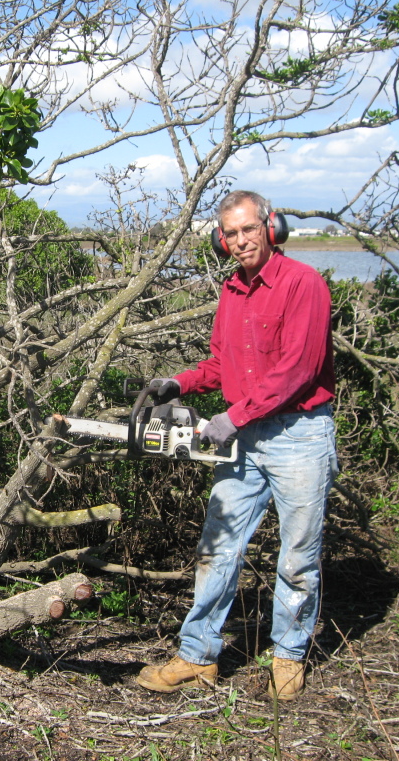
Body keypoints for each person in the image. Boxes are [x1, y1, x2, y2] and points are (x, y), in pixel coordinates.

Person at [136, 190, 338, 701]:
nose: (241, 240)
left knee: (297, 555)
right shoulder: (232, 291)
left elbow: (299, 370)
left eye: (249, 229)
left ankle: (288, 656)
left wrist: (234, 416)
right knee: (217, 546)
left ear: (272, 226)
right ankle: (197, 655)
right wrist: (179, 383)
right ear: (220, 240)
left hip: (299, 435)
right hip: (243, 435)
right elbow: (224, 364)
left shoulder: (303, 284)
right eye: (231, 233)